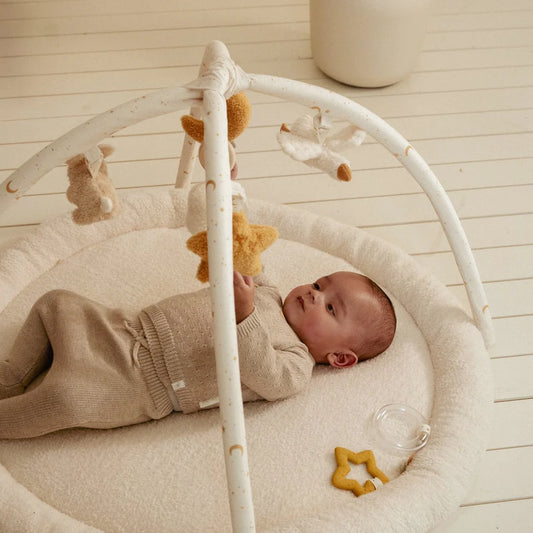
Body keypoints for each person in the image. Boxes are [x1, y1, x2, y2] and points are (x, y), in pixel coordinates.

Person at [0, 270, 396, 439]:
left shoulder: (295, 364)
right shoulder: (268, 291)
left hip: (139, 384)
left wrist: (244, 314)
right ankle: (13, 375)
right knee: (56, 303)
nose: (314, 294)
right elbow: (242, 245)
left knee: (66, 398)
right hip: (123, 328)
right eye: (319, 284)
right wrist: (230, 189)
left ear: (340, 358)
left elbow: (260, 370)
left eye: (331, 308)